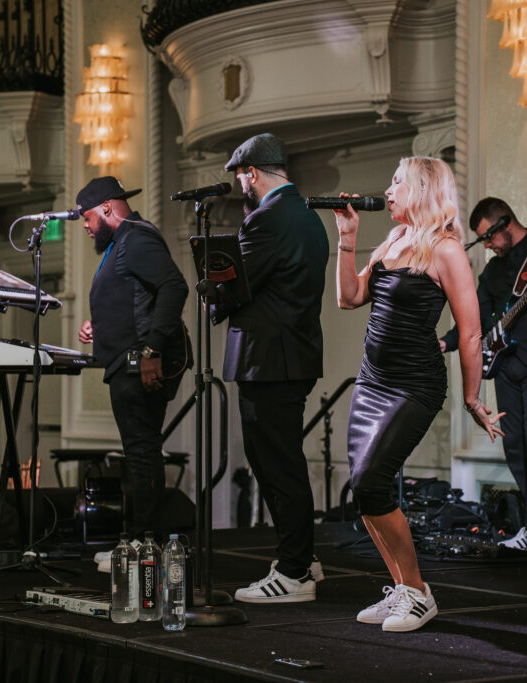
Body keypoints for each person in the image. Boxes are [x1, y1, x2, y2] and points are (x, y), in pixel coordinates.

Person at [334, 157, 504, 632]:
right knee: (367, 490)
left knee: (371, 482)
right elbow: (348, 297)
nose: (388, 191)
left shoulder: (446, 250)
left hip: (414, 384)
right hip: (372, 382)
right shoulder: (392, 240)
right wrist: (347, 240)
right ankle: (404, 589)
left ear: (423, 190)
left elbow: (470, 332)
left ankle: (419, 593)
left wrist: (473, 397)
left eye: (397, 183)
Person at [210, 133, 329, 603]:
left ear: (252, 173)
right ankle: (301, 558)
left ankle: (295, 572)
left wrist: (211, 288)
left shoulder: (265, 220)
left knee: (276, 465)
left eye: (241, 176)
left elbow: (236, 285)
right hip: (293, 355)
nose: (241, 185)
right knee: (284, 461)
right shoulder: (306, 217)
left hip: (267, 360)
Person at [440, 198, 527, 552]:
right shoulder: (494, 271)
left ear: (505, 224)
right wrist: (447, 342)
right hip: (505, 365)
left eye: (488, 237)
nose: (486, 245)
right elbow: (477, 319)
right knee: (514, 443)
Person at [75, 176, 192, 572]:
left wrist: (152, 350)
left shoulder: (135, 238)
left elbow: (174, 288)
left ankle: (147, 546)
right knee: (139, 453)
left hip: (140, 361)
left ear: (108, 208)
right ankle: (141, 543)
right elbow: (135, 298)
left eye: (88, 217)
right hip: (126, 358)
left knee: (142, 454)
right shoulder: (118, 245)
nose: (86, 226)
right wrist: (99, 325)